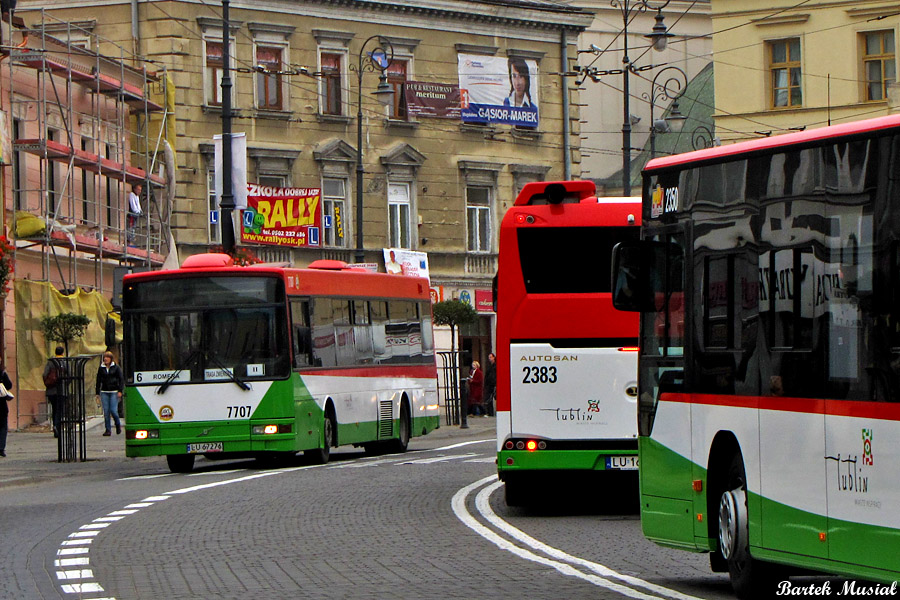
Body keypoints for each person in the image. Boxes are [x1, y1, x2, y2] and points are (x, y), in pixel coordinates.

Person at [95, 351, 125, 436]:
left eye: (107, 357)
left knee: (113, 410)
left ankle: (117, 424)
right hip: (104, 391)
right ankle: (108, 429)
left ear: (111, 359)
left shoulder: (116, 368)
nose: (105, 359)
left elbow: (121, 379)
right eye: (104, 357)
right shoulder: (101, 368)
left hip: (114, 391)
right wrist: (97, 392)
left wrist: (120, 390)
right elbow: (98, 380)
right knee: (106, 411)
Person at [43, 346, 66, 438]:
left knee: (54, 408)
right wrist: (65, 384)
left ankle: (55, 426)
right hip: (62, 390)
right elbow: (70, 375)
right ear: (62, 352)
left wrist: (48, 383)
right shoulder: (65, 362)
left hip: (51, 390)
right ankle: (57, 426)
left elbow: (45, 374)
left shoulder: (50, 362)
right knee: (59, 410)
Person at [0, 362, 12, 457]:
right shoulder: (2, 374)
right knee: (3, 427)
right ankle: (1, 448)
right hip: (1, 406)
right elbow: (9, 386)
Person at [483, 352, 496, 417]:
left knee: (492, 397)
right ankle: (490, 412)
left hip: (494, 384)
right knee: (489, 398)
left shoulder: (495, 366)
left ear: (494, 357)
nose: (489, 359)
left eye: (491, 357)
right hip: (489, 384)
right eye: (489, 357)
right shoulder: (489, 366)